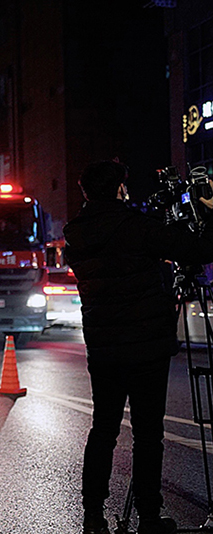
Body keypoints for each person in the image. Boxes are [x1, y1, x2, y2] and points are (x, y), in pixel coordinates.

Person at [64, 160, 213, 534]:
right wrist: (208, 209)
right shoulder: (136, 227)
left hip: (103, 348)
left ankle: (93, 515)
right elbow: (197, 249)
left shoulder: (76, 234)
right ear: (119, 189)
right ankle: (149, 516)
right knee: (148, 435)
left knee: (103, 430)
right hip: (146, 345)